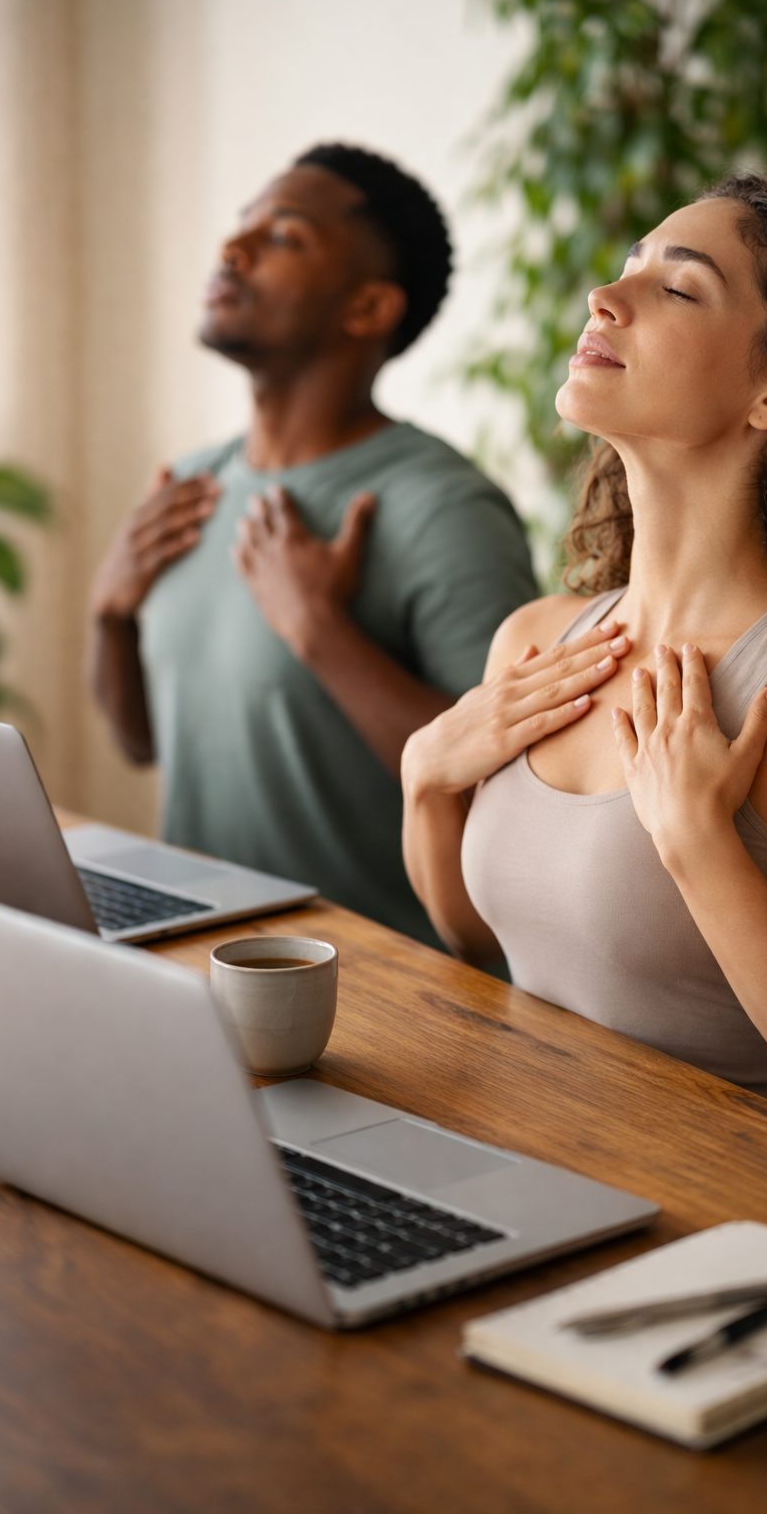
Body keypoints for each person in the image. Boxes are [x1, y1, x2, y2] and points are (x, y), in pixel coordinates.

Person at [401, 175, 767, 1150]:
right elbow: (489, 949)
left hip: (756, 1240)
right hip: (548, 1179)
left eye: (679, 287)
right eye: (625, 270)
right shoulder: (536, 641)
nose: (604, 300)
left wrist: (699, 845)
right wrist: (426, 784)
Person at [89, 143, 537, 947]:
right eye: (242, 228)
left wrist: (320, 633)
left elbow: (505, 789)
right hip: (194, 967)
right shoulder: (186, 489)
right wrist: (110, 614)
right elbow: (143, 741)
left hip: (382, 995)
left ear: (367, 308)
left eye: (285, 238)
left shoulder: (443, 508)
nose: (234, 251)